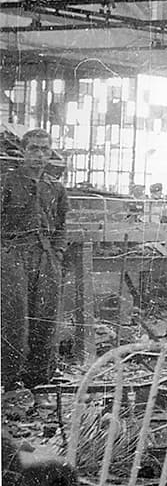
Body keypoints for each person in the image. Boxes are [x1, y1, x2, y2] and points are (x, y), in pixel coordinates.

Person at [1, 129, 69, 392]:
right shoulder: (7, 182)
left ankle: (39, 383)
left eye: (44, 149)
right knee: (14, 320)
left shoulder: (56, 187)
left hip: (45, 257)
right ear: (23, 151)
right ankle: (8, 383)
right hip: (13, 256)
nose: (39, 155)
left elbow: (62, 226)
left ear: (50, 153)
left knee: (45, 319)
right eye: (33, 149)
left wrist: (57, 254)